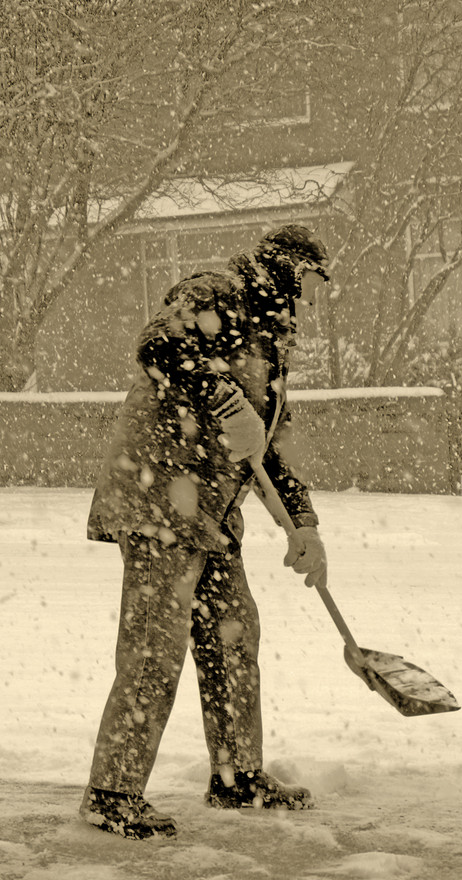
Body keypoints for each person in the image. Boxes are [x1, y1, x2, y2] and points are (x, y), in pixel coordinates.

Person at [80, 224, 330, 839]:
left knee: (233, 632)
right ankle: (112, 792)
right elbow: (158, 349)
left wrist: (304, 525)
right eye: (304, 281)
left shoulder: (272, 350)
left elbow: (267, 450)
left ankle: (236, 775)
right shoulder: (214, 293)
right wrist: (219, 397)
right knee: (153, 648)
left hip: (211, 511)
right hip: (159, 498)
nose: (307, 298)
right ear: (281, 271)